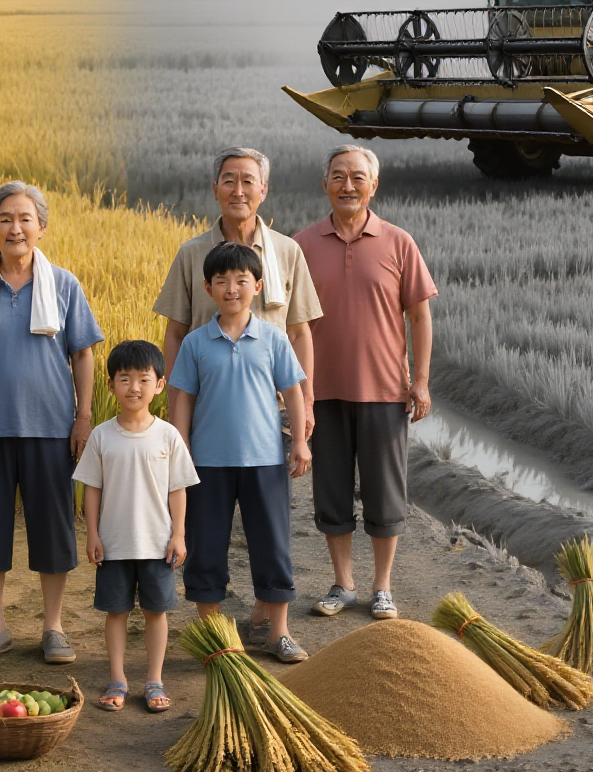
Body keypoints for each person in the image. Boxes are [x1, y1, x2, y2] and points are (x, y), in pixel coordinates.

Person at [0, 180, 102, 663]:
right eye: (5, 219)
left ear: (42, 227)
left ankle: (53, 628)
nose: (15, 228)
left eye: (25, 218)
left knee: (52, 529)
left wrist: (84, 418)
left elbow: (83, 354)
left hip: (51, 427)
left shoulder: (64, 284)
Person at [294, 146, 436, 619]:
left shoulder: (398, 242)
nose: (348, 185)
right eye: (338, 176)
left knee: (385, 492)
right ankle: (343, 584)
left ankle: (382, 587)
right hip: (321, 391)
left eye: (358, 176)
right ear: (325, 184)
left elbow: (419, 314)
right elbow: (288, 322)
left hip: (385, 391)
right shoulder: (302, 245)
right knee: (330, 491)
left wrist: (421, 380)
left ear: (374, 185)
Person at [169, 243, 312, 661]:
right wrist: (180, 451)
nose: (232, 288)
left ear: (258, 285)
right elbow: (183, 400)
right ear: (208, 287)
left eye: (241, 280)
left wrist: (300, 441)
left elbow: (293, 391)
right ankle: (214, 633)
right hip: (207, 464)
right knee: (205, 544)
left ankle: (278, 632)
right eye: (222, 281)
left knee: (272, 544)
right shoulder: (196, 343)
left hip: (265, 461)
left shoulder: (273, 338)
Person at [74, 339, 198, 714]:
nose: (134, 388)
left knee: (156, 612)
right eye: (124, 379)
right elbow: (92, 490)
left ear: (159, 385)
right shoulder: (101, 435)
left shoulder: (168, 436)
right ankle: (117, 679)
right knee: (116, 612)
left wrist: (178, 535)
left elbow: (178, 490)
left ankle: (154, 679)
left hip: (157, 544)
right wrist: (92, 534)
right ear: (111, 384)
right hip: (113, 544)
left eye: (144, 379)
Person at [156, 147, 320, 405]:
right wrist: (177, 399)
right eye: (229, 181)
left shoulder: (287, 251)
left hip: (274, 404)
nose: (238, 191)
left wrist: (306, 399)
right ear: (215, 189)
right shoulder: (191, 254)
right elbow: (176, 333)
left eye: (248, 182)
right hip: (208, 402)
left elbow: (299, 332)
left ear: (263, 190)